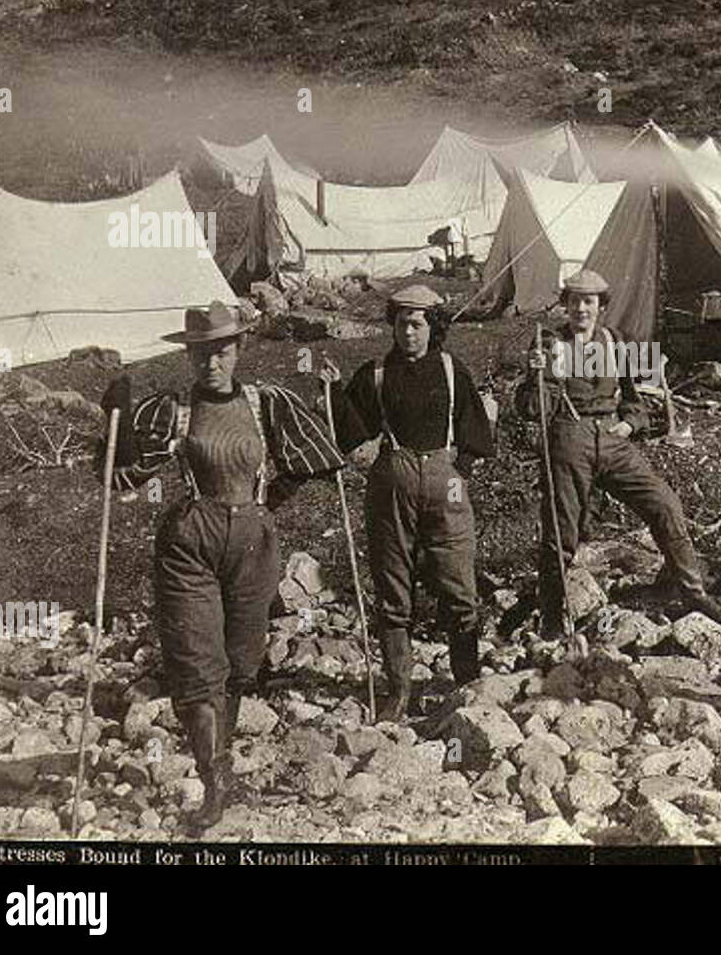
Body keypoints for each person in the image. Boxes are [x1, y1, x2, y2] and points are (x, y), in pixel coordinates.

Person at [98, 300, 344, 831]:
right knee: (195, 664)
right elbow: (121, 478)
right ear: (189, 358)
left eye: (222, 351)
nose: (212, 362)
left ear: (239, 350)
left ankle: (224, 760)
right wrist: (112, 419)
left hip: (252, 547)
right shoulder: (174, 410)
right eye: (202, 353)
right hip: (189, 545)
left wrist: (268, 502)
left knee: (240, 663)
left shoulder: (265, 403)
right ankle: (213, 783)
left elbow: (315, 457)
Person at [517, 270, 721, 635]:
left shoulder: (614, 341)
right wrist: (538, 374)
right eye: (574, 301)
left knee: (664, 503)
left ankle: (693, 594)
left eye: (589, 302)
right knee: (562, 533)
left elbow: (635, 402)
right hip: (570, 439)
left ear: (601, 306)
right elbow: (530, 408)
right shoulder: (551, 344)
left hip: (612, 439)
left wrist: (629, 426)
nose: (581, 309)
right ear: (566, 305)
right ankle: (553, 619)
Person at [320, 285, 494, 722]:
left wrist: (459, 472)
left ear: (434, 328)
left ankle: (466, 680)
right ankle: (398, 690)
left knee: (458, 580)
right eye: (401, 324)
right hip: (391, 486)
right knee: (392, 584)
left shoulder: (454, 371)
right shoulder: (376, 372)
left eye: (417, 324)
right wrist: (334, 390)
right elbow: (353, 432)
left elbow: (475, 430)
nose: (408, 332)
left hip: (447, 484)